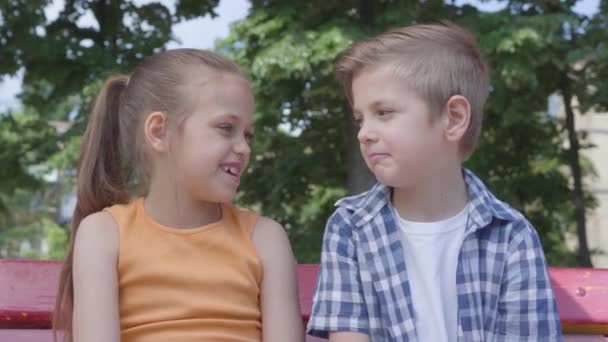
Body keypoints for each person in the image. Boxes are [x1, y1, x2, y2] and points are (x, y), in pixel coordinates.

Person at [307, 22, 563, 341]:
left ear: (453, 118)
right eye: (360, 119)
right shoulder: (350, 228)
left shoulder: (512, 236)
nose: (364, 132)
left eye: (383, 112)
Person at [53, 49, 303, 342]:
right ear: (159, 131)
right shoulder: (103, 234)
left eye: (248, 135)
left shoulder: (265, 238)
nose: (244, 148)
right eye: (226, 128)